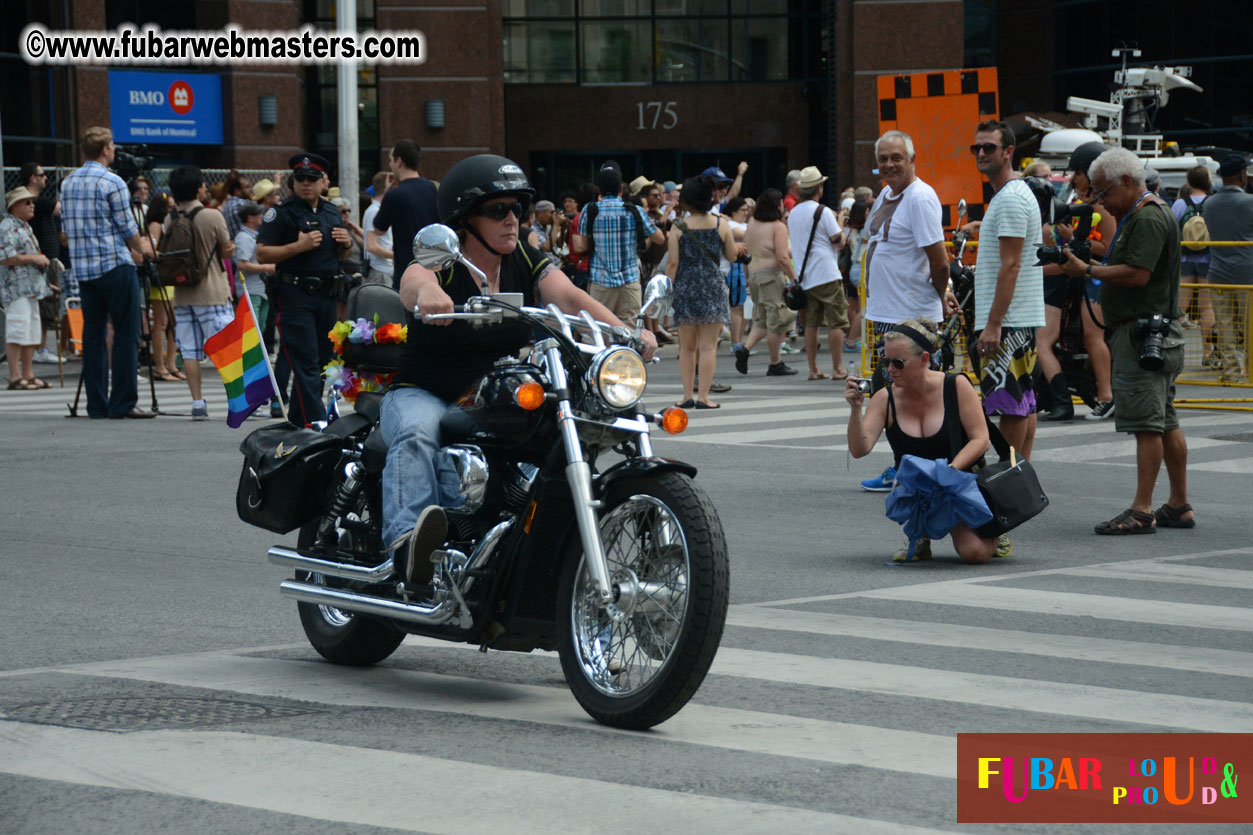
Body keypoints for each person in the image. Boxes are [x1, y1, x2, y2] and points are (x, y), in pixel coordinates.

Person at [384, 153, 657, 585]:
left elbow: (568, 298)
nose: (512, 219)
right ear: (466, 218)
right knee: (418, 431)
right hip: (426, 390)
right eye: (498, 210)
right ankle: (407, 547)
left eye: (517, 209)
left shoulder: (525, 260)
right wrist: (429, 293)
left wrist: (624, 330)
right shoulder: (444, 259)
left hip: (491, 392)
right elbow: (413, 279)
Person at [1059, 146, 1193, 534]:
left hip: (1144, 333)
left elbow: (1137, 274)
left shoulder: (1147, 217)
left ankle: (1142, 508)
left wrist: (1087, 269)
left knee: (1147, 424)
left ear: (1128, 182)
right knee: (1165, 420)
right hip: (1152, 331)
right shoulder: (1148, 212)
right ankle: (1178, 503)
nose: (1101, 203)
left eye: (1104, 193)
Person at [844, 319, 1001, 563]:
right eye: (886, 362)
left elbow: (980, 439)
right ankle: (920, 532)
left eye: (898, 363)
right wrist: (855, 410)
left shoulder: (955, 385)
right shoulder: (885, 398)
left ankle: (995, 529)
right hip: (919, 491)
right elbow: (859, 449)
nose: (891, 370)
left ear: (925, 359)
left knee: (974, 553)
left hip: (959, 482)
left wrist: (949, 473)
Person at [59, 126, 156, 419]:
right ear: (104, 150)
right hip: (114, 264)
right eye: (112, 145)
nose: (114, 150)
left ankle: (97, 404)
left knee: (93, 334)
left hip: (84, 269)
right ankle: (123, 402)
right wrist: (144, 250)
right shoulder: (112, 182)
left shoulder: (68, 183)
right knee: (127, 331)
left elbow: (65, 230)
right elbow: (128, 229)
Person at [257, 152, 354, 426]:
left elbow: (341, 256)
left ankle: (300, 425)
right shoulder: (281, 212)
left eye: (312, 178)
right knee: (306, 363)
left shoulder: (331, 211)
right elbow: (262, 254)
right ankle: (318, 424)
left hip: (327, 295)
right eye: (300, 178)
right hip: (295, 296)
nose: (305, 183)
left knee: (323, 363)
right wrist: (298, 247)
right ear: (292, 182)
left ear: (323, 182)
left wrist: (346, 244)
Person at [970, 120, 1045, 460]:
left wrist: (994, 323)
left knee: (1011, 405)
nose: (981, 153)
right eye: (977, 148)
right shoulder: (1010, 195)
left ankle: (1009, 473)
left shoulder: (1011, 198)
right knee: (1022, 403)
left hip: (1009, 321)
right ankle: (1019, 474)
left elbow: (1011, 265)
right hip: (1017, 318)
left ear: (1009, 152)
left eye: (989, 148)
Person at [167, 166, 235, 420]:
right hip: (212, 292)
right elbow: (226, 249)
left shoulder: (170, 218)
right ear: (198, 188)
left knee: (190, 351)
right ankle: (235, 400)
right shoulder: (211, 216)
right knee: (225, 348)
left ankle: (197, 402)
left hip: (183, 294)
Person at [667, 175, 739, 409]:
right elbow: (731, 256)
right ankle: (704, 397)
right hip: (712, 287)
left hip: (686, 288)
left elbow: (672, 264)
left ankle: (686, 395)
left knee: (686, 347)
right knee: (709, 346)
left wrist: (668, 291)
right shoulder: (721, 224)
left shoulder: (677, 228)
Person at [571, 161, 664, 325]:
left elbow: (584, 244)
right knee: (629, 331)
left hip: (600, 282)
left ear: (599, 189)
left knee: (600, 329)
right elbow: (660, 238)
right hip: (629, 282)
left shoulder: (590, 210)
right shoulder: (635, 211)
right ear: (621, 189)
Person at [787, 165, 850, 381]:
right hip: (827, 273)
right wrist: (841, 223)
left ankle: (813, 369)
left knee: (811, 324)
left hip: (805, 278)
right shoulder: (822, 211)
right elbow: (838, 242)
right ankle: (837, 368)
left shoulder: (793, 213)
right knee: (836, 322)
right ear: (819, 188)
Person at [1200, 154, 1253, 382]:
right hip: (1247, 272)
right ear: (1242, 175)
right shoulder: (1250, 202)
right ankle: (1250, 370)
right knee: (1249, 325)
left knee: (1225, 324)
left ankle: (1231, 371)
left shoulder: (1209, 203)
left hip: (1218, 271)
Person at [735, 188, 798, 376]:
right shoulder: (778, 227)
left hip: (754, 274)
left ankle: (744, 349)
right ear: (777, 205)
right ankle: (775, 362)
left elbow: (745, 253)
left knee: (761, 318)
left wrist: (747, 276)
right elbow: (782, 257)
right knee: (776, 322)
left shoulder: (752, 223)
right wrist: (794, 278)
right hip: (771, 275)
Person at [1, 187, 53, 390]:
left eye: (32, 202)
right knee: (17, 330)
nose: (32, 206)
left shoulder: (25, 227)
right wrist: (35, 258)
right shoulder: (7, 227)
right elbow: (5, 257)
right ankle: (15, 376)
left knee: (31, 331)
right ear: (14, 206)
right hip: (15, 288)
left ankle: (28, 374)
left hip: (31, 287)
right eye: (27, 202)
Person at [371, 139, 439, 290]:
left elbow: (378, 229)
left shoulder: (395, 195)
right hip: (433, 269)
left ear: (399, 161)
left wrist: (386, 193)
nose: (389, 165)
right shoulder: (432, 188)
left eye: (391, 160)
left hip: (407, 271)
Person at [1171, 166, 1215, 362]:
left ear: (1189, 182)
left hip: (1184, 258)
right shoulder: (1212, 203)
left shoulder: (1180, 204)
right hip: (1207, 258)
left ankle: (1173, 349)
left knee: (1180, 306)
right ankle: (1208, 352)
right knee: (1207, 307)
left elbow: (1172, 229)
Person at [142, 193, 184, 383]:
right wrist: (168, 256)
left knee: (173, 321)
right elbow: (150, 250)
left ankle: (171, 363)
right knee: (162, 322)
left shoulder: (167, 224)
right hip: (161, 276)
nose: (172, 210)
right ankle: (160, 366)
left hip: (169, 277)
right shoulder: (156, 225)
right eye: (169, 207)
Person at [362, 171, 395, 286]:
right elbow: (371, 246)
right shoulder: (374, 211)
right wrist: (396, 255)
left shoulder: (376, 210)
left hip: (382, 272)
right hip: (379, 274)